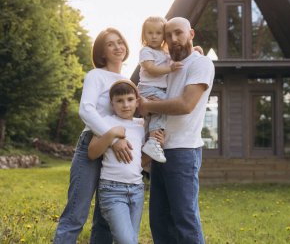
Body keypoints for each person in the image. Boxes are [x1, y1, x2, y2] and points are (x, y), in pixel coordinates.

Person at [139, 17, 215, 244]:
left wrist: (148, 105)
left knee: (184, 220)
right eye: (168, 35)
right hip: (159, 149)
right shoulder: (165, 65)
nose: (173, 39)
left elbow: (185, 105)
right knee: (160, 221)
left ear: (191, 34)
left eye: (179, 33)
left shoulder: (201, 64)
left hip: (183, 151)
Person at [54, 28, 134, 244]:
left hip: (114, 153)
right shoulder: (96, 75)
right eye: (110, 44)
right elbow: (86, 110)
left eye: (120, 41)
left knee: (106, 218)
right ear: (102, 52)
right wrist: (114, 138)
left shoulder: (126, 79)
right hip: (92, 143)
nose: (118, 47)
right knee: (76, 214)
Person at [87, 79, 162, 244]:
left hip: (136, 190)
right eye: (119, 101)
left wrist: (157, 145)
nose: (125, 105)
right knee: (127, 241)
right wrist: (112, 134)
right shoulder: (105, 121)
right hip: (112, 190)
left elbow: (138, 162)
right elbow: (92, 153)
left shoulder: (142, 125)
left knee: (131, 239)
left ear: (137, 102)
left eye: (129, 99)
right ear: (112, 104)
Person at [137, 16, 183, 163]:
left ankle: (149, 143)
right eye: (150, 33)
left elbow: (181, 52)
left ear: (163, 35)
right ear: (144, 35)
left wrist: (196, 49)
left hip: (158, 89)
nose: (154, 36)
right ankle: (152, 141)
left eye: (158, 33)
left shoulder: (165, 53)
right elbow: (150, 69)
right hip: (148, 88)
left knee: (156, 116)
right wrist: (170, 69)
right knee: (166, 106)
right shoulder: (146, 51)